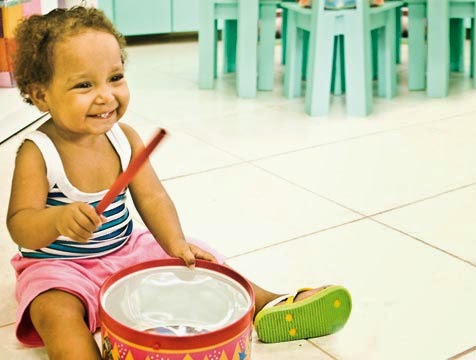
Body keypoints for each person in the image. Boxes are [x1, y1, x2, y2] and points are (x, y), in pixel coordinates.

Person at [7, 6, 351, 359]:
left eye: (115, 77)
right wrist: (56, 220)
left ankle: (269, 305)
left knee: (203, 261)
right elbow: (20, 226)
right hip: (61, 269)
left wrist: (174, 243)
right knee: (54, 312)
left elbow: (153, 198)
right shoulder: (38, 152)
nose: (106, 95)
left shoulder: (124, 138)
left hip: (125, 250)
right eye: (84, 84)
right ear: (41, 94)